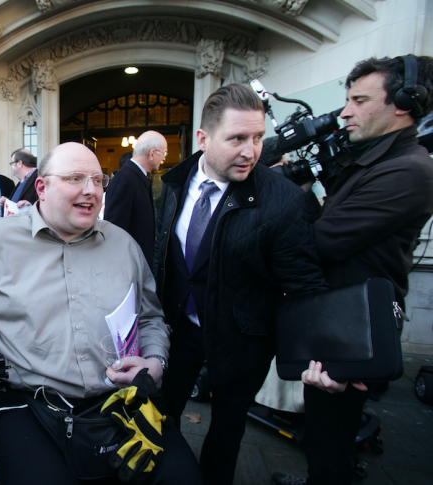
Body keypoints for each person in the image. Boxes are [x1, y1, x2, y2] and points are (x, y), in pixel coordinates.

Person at [0, 142, 203, 485]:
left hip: (122, 399)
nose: (91, 190)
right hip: (28, 401)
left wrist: (155, 362)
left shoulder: (124, 245)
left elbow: (149, 316)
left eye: (97, 180)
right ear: (41, 187)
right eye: (75, 178)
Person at [152, 84, 327, 485]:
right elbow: (164, 256)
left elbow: (304, 285)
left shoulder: (282, 200)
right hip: (177, 332)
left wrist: (324, 356)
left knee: (227, 428)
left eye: (258, 137)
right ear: (203, 138)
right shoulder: (173, 183)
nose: (251, 151)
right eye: (237, 139)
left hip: (242, 339)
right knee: (162, 415)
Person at [272, 55, 433, 485]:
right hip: (333, 317)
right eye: (347, 99)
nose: (345, 111)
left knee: (331, 440)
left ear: (404, 102)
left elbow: (322, 241)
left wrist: (291, 199)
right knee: (323, 431)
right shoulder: (372, 160)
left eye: (360, 100)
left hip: (351, 327)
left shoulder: (409, 171)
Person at [104, 130, 167, 269]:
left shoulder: (137, 177)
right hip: (129, 267)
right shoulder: (125, 179)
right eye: (164, 153)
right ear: (152, 154)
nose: (164, 159)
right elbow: (114, 232)